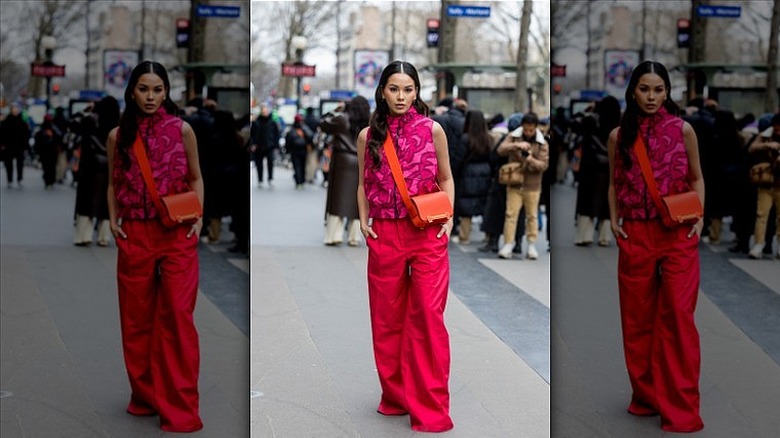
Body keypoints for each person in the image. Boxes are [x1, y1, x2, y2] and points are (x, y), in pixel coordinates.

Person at [357, 60, 455, 433]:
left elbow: (446, 177)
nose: (401, 97)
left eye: (409, 89)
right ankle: (395, 396)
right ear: (382, 91)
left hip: (427, 233)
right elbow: (364, 184)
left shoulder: (433, 130)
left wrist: (448, 218)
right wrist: (362, 219)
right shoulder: (368, 136)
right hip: (385, 233)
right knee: (386, 320)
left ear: (417, 92)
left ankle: (430, 408)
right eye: (394, 89)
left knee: (428, 319)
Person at [106, 60, 205, 433]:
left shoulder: (182, 130)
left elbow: (196, 177)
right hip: (135, 234)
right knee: (136, 320)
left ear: (167, 92)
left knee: (178, 319)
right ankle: (145, 396)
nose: (151, 97)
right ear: (132, 91)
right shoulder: (119, 135)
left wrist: (197, 218)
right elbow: (114, 183)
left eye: (158, 89)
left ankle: (179, 407)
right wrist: (113, 221)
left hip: (176, 234)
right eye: (144, 89)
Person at [607, 60, 705, 433]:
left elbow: (697, 177)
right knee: (637, 320)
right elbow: (616, 184)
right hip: (636, 234)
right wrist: (615, 221)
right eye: (645, 89)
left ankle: (680, 408)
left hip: (677, 234)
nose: (651, 97)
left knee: (679, 319)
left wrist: (698, 216)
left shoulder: (683, 130)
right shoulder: (620, 135)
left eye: (659, 90)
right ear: (633, 91)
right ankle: (646, 396)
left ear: (668, 92)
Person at [496, 112, 549, 259]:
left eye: (531, 130)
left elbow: (543, 165)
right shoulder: (514, 136)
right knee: (510, 215)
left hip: (533, 185)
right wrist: (516, 145)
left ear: (535, 128)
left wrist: (530, 158)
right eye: (526, 129)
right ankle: (508, 244)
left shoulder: (542, 142)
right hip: (515, 182)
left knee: (532, 216)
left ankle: (531, 245)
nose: (528, 132)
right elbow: (500, 149)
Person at [320, 96, 371, 246]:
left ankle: (334, 235)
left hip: (343, 160)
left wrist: (334, 111)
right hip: (362, 160)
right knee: (358, 198)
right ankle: (354, 236)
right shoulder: (369, 121)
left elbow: (323, 124)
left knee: (338, 198)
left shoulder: (342, 119)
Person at [574, 95, 621, 246]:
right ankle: (605, 237)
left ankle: (584, 235)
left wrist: (590, 111)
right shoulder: (620, 125)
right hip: (611, 168)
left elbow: (576, 125)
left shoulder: (590, 121)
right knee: (607, 203)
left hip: (590, 167)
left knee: (587, 201)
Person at [73, 96, 120, 246]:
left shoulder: (89, 120)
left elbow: (79, 132)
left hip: (89, 167)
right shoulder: (119, 124)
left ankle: (83, 235)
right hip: (110, 167)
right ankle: (104, 236)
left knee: (86, 201)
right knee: (106, 203)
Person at [452, 109, 493, 244]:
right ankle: (488, 235)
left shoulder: (466, 138)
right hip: (485, 172)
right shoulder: (488, 138)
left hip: (468, 173)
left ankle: (465, 236)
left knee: (466, 205)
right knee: (484, 204)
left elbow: (458, 159)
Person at [747, 112, 780, 259]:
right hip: (766, 181)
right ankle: (759, 244)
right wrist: (767, 144)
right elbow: (752, 148)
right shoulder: (766, 135)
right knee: (761, 214)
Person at [0, 104, 30, 187]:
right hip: (8, 146)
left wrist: (25, 145)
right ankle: (10, 179)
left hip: (19, 146)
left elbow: (26, 134)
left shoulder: (22, 122)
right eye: (14, 109)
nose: (15, 110)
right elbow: (2, 133)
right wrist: (2, 144)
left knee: (20, 163)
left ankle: (19, 178)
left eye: (16, 109)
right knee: (9, 164)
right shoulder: (6, 121)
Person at [250, 103, 280, 187]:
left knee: (270, 162)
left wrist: (275, 145)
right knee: (259, 164)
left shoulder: (272, 123)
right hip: (259, 146)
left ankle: (270, 178)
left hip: (269, 145)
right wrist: (253, 144)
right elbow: (252, 134)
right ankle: (260, 179)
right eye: (263, 111)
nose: (265, 112)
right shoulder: (256, 122)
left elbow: (276, 134)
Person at [285, 114, 313, 189]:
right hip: (303, 150)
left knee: (297, 166)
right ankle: (302, 181)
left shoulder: (292, 129)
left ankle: (298, 182)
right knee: (303, 165)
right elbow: (310, 136)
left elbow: (288, 140)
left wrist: (287, 150)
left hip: (295, 150)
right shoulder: (304, 127)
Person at [34, 115, 62, 189]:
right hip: (46, 151)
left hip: (50, 151)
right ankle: (48, 181)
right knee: (48, 167)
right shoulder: (45, 130)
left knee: (50, 167)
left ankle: (50, 181)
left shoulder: (53, 129)